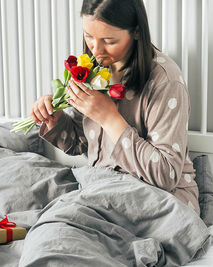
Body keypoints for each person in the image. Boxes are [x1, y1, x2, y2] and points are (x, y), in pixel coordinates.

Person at [30, 0, 199, 215]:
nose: (96, 50)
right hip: (104, 191)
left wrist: (110, 119)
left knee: (67, 226)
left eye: (109, 40)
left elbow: (166, 176)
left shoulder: (165, 81)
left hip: (162, 201)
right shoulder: (94, 71)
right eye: (89, 37)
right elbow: (83, 144)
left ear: (136, 32)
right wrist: (55, 119)